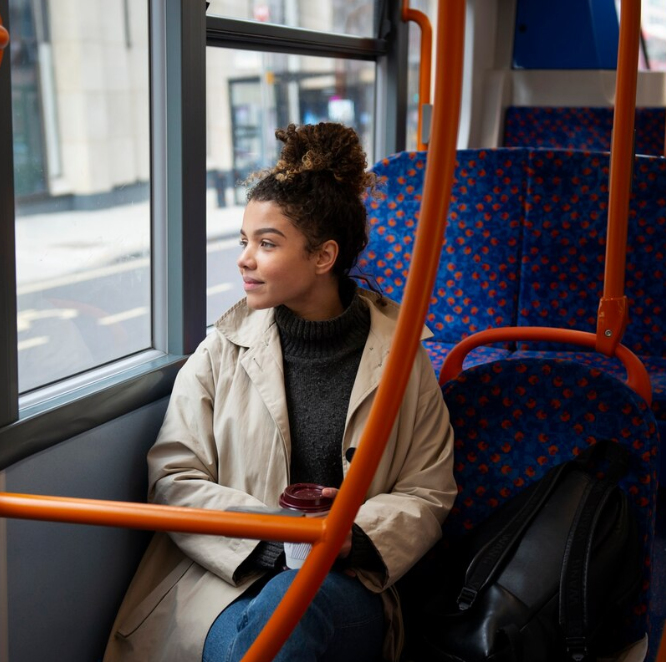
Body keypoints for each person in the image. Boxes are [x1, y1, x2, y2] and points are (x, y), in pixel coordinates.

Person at [103, 123, 456, 662]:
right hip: (226, 580)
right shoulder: (221, 350)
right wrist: (274, 538)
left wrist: (348, 537)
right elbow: (174, 478)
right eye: (244, 241)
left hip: (347, 583)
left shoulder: (404, 360)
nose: (244, 259)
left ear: (323, 257)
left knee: (290, 611)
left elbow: (428, 492)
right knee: (261, 640)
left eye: (266, 244)